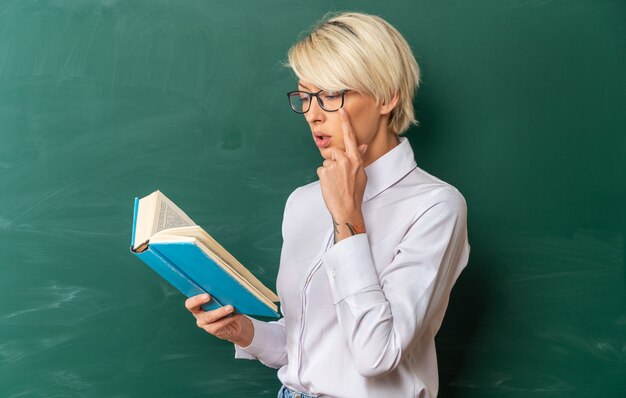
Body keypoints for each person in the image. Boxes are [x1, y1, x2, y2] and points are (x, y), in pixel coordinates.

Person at [184, 11, 469, 398]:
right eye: (305, 96)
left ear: (387, 97)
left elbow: (376, 355)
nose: (314, 115)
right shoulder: (302, 202)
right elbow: (302, 346)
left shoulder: (436, 206)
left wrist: (348, 218)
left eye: (332, 95)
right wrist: (244, 331)